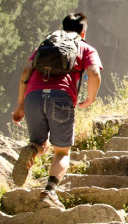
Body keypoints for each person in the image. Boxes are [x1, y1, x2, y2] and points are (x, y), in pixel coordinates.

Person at [11, 13, 102, 210]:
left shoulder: (46, 44)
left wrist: (20, 104)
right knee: (62, 151)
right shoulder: (85, 47)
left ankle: (31, 150)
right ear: (83, 32)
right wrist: (90, 98)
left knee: (38, 143)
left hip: (33, 96)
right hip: (61, 97)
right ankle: (49, 192)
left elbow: (26, 70)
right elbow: (94, 72)